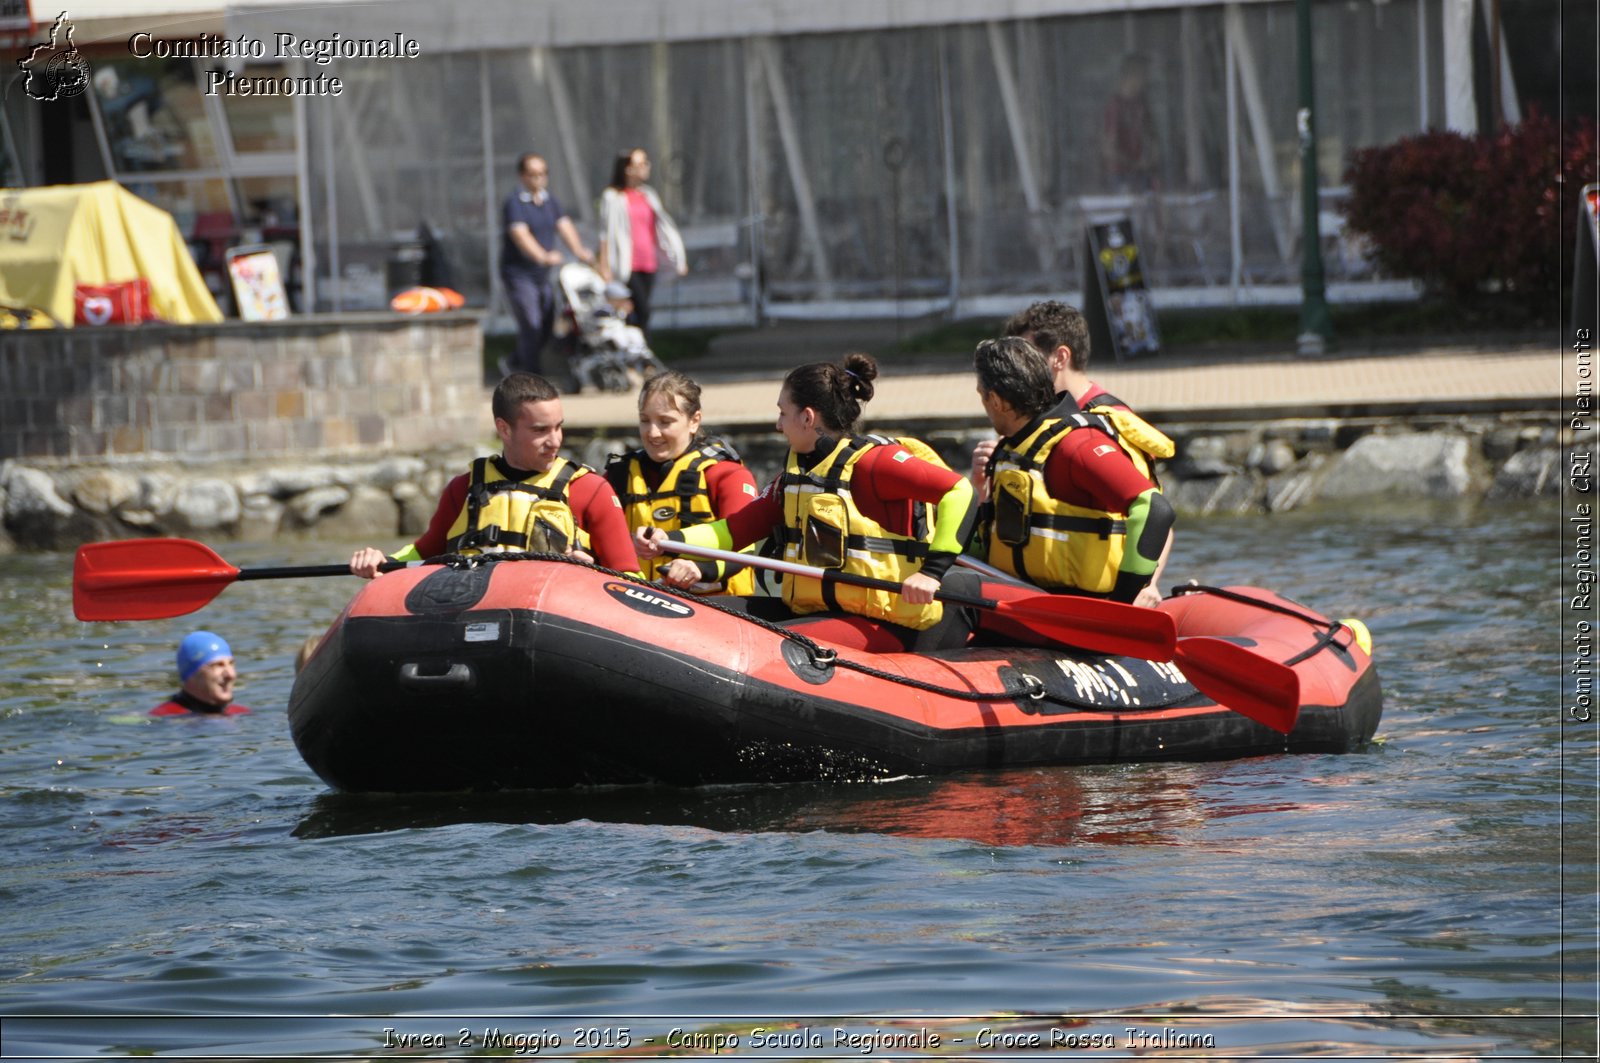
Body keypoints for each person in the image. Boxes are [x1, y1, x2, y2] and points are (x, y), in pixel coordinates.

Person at [634, 353, 979, 652]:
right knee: (697, 614)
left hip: (876, 622)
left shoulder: (874, 464)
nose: (778, 424)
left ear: (808, 417)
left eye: (783, 413)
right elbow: (736, 529)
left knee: (771, 644)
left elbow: (960, 491)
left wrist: (932, 574)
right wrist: (669, 541)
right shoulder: (795, 477)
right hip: (813, 611)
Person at [971, 300, 1176, 606]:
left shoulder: (1094, 431)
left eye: (1027, 355)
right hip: (1031, 592)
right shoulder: (1027, 429)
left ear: (1059, 357)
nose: (1019, 365)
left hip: (1086, 597)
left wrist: (1138, 590)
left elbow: (1153, 511)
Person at [349, 372, 638, 577]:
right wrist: (383, 561)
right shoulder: (463, 489)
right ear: (504, 429)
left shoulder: (590, 490)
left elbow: (629, 577)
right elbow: (424, 553)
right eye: (540, 431)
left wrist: (590, 574)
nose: (555, 441)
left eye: (558, 427)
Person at [604, 370, 760, 595]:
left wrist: (700, 569)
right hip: (637, 606)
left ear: (694, 420)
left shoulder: (726, 475)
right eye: (644, 420)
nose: (653, 433)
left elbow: (745, 551)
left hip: (716, 608)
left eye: (665, 422)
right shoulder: (618, 475)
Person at [500, 152, 597, 378]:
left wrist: (579, 251)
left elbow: (564, 226)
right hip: (519, 274)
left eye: (542, 174)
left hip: (543, 276)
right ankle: (532, 376)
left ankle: (515, 361)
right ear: (522, 176)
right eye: (532, 175)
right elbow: (520, 235)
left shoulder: (550, 201)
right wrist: (543, 256)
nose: (538, 179)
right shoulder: (514, 203)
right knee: (531, 322)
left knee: (546, 325)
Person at [595, 148, 687, 337]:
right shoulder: (613, 197)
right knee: (640, 310)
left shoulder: (648, 195)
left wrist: (677, 258)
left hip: (648, 262)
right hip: (627, 264)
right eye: (640, 163)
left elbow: (662, 230)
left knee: (640, 312)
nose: (646, 167)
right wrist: (604, 266)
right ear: (627, 169)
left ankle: (637, 355)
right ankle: (641, 356)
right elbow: (605, 233)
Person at [150, 631, 250, 716]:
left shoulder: (241, 713)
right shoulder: (166, 717)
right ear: (193, 673)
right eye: (218, 665)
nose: (230, 675)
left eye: (231, 664)